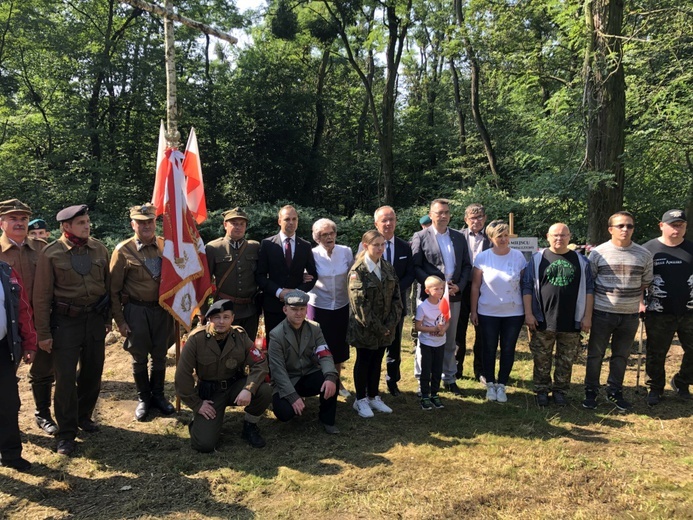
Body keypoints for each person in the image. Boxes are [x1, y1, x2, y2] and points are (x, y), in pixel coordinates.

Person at [33, 204, 111, 456]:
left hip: (95, 319)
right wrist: (43, 333)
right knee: (65, 379)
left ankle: (83, 416)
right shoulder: (51, 253)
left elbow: (108, 289)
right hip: (65, 322)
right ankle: (66, 433)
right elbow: (41, 296)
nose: (87, 226)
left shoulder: (99, 249)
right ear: (66, 227)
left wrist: (107, 318)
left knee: (92, 372)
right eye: (81, 223)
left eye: (88, 221)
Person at [175, 299, 272, 451]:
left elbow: (260, 362)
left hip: (235, 387)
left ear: (232, 318)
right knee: (203, 445)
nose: (221, 322)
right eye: (217, 318)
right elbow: (182, 376)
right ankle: (199, 422)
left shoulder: (239, 336)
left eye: (226, 317)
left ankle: (249, 426)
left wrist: (248, 388)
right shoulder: (196, 339)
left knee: (264, 390)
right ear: (209, 319)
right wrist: (197, 404)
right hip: (210, 394)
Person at [110, 203, 175, 421]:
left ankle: (158, 396)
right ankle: (143, 398)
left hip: (162, 310)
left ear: (155, 223)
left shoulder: (166, 246)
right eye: (141, 222)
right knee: (139, 358)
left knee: (160, 356)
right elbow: (113, 291)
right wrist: (120, 321)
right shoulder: (123, 251)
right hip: (136, 310)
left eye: (150, 221)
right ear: (133, 224)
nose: (146, 226)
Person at [583, 211, 653, 411]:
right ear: (610, 229)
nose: (625, 229)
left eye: (629, 226)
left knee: (621, 356)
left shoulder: (643, 254)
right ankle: (591, 391)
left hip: (630, 315)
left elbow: (645, 282)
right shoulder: (598, 253)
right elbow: (591, 283)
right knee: (595, 354)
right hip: (602, 312)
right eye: (621, 226)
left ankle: (615, 391)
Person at [522, 223, 594, 406]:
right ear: (547, 236)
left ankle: (560, 391)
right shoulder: (537, 259)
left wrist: (587, 316)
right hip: (542, 319)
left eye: (563, 235)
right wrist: (529, 314)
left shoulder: (581, 261)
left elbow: (589, 290)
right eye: (555, 235)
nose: (559, 239)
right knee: (541, 358)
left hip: (571, 319)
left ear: (569, 237)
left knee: (566, 359)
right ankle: (541, 390)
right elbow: (527, 287)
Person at [0, 199, 54, 435]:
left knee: (43, 370)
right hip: (7, 325)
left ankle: (43, 414)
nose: (19, 223)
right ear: (2, 223)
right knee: (5, 377)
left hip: (39, 319)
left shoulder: (42, 248)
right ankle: (8, 424)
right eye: (13, 218)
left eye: (23, 218)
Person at [412, 199, 471, 395]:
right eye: (439, 213)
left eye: (446, 212)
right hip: (430, 297)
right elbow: (416, 266)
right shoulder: (420, 236)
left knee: (449, 336)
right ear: (431, 214)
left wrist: (459, 286)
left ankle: (449, 376)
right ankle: (423, 377)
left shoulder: (459, 237)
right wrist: (431, 285)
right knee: (426, 335)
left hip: (452, 295)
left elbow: (466, 266)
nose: (443, 216)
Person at [268, 290, 340, 434]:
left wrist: (330, 376)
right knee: (285, 413)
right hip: (288, 379)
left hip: (308, 373)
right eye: (294, 309)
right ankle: (292, 401)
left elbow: (324, 354)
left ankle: (327, 419)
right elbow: (278, 371)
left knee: (332, 379)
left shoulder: (315, 328)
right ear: (285, 309)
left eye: (302, 309)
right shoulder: (276, 335)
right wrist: (292, 396)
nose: (299, 313)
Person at [348, 230, 402, 418]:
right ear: (365, 246)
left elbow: (397, 297)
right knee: (364, 361)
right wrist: (381, 328)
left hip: (385, 328)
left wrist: (391, 323)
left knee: (377, 361)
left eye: (382, 245)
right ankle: (360, 399)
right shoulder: (358, 271)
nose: (380, 248)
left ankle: (373, 395)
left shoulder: (387, 267)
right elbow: (359, 306)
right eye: (376, 245)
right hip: (366, 329)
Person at [470, 220, 526, 403]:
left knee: (508, 349)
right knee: (489, 348)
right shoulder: (483, 257)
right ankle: (490, 384)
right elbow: (475, 287)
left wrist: (528, 311)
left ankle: (502, 384)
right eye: (499, 236)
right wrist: (474, 310)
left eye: (505, 235)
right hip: (488, 312)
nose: (503, 239)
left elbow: (525, 285)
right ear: (491, 238)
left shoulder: (518, 256)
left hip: (513, 312)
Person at [643, 209, 693, 404]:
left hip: (689, 311)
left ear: (686, 227)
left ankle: (682, 381)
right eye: (673, 225)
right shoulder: (648, 249)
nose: (677, 229)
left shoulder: (691, 248)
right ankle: (655, 388)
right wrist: (640, 302)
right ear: (662, 226)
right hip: (659, 311)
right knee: (656, 351)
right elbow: (640, 279)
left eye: (680, 225)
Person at [307, 218, 354, 397]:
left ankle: (337, 381)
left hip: (342, 305)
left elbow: (353, 274)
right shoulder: (311, 254)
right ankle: (321, 382)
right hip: (319, 305)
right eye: (323, 234)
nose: (329, 237)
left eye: (331, 233)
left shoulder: (346, 252)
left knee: (339, 346)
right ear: (317, 238)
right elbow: (305, 276)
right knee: (319, 346)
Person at [256, 205, 318, 335]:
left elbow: (313, 275)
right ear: (279, 221)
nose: (291, 222)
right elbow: (260, 276)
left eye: (294, 219)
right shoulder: (267, 244)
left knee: (296, 345)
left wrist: (297, 292)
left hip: (297, 308)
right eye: (287, 219)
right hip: (273, 305)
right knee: (274, 346)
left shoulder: (305, 246)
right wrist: (279, 292)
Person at [372, 206, 414, 396]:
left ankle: (392, 381)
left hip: (397, 305)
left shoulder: (406, 247)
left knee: (394, 347)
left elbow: (410, 274)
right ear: (376, 224)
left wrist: (394, 291)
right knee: (374, 346)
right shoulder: (367, 246)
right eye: (384, 220)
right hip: (374, 307)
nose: (388, 223)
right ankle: (371, 383)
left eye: (391, 219)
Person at [0, 260, 37, 471]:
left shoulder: (6, 271)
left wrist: (30, 343)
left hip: (2, 349)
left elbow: (22, 309)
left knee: (8, 403)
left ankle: (11, 454)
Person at [205, 208, 261, 341]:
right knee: (224, 348)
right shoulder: (213, 248)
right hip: (224, 311)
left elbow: (264, 274)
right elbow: (205, 281)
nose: (238, 227)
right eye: (234, 223)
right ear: (225, 225)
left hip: (250, 309)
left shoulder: (255, 247)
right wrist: (203, 311)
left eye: (242, 224)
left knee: (248, 346)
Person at [456, 203, 491, 383]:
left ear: (484, 219)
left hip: (485, 289)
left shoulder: (492, 238)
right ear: (465, 219)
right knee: (458, 330)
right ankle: (456, 368)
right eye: (472, 217)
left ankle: (481, 370)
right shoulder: (456, 237)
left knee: (483, 331)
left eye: (479, 217)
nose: (476, 221)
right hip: (462, 288)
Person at [415, 276, 449, 410]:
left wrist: (443, 330)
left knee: (437, 369)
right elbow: (418, 326)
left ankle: (434, 394)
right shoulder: (423, 307)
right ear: (427, 291)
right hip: (427, 343)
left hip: (440, 342)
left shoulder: (444, 304)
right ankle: (424, 395)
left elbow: (448, 321)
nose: (440, 291)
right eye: (436, 289)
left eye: (441, 288)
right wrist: (433, 329)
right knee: (426, 369)